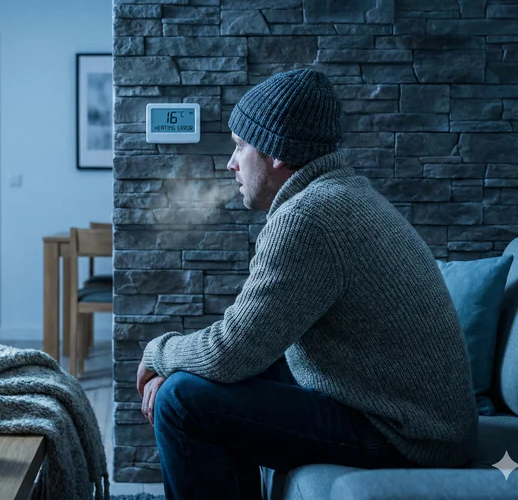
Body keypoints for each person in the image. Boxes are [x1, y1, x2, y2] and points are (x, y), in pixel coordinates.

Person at [135, 68, 479, 500]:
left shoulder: (308, 218)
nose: (231, 162)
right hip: (417, 418)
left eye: (241, 146)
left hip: (408, 437)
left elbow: (228, 351)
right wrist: (179, 363)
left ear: (277, 153)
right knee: (215, 379)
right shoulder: (343, 195)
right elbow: (247, 348)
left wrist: (158, 353)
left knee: (182, 402)